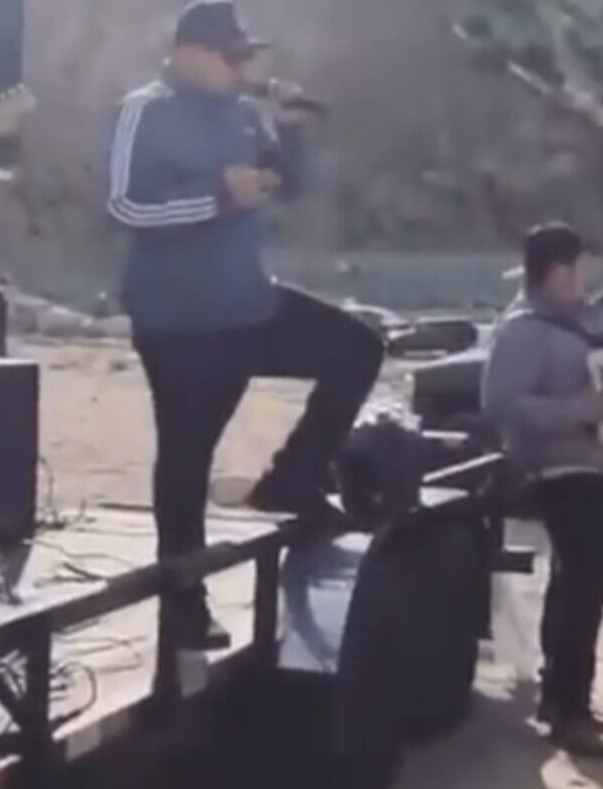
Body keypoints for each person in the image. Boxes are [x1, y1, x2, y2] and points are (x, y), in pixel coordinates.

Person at [106, 0, 383, 651]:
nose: (240, 68)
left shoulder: (240, 113)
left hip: (247, 306)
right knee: (186, 457)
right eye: (231, 56)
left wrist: (291, 131)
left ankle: (293, 476)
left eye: (245, 57)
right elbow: (123, 206)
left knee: (356, 348)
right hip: (177, 322)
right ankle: (184, 604)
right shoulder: (143, 110)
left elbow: (291, 186)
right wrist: (216, 197)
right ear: (192, 52)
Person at [482, 222, 603, 759]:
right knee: (579, 589)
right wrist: (583, 410)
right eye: (578, 267)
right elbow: (502, 404)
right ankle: (568, 710)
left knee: (584, 590)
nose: (586, 277)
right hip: (561, 473)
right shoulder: (524, 330)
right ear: (555, 271)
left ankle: (569, 701)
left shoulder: (583, 323)